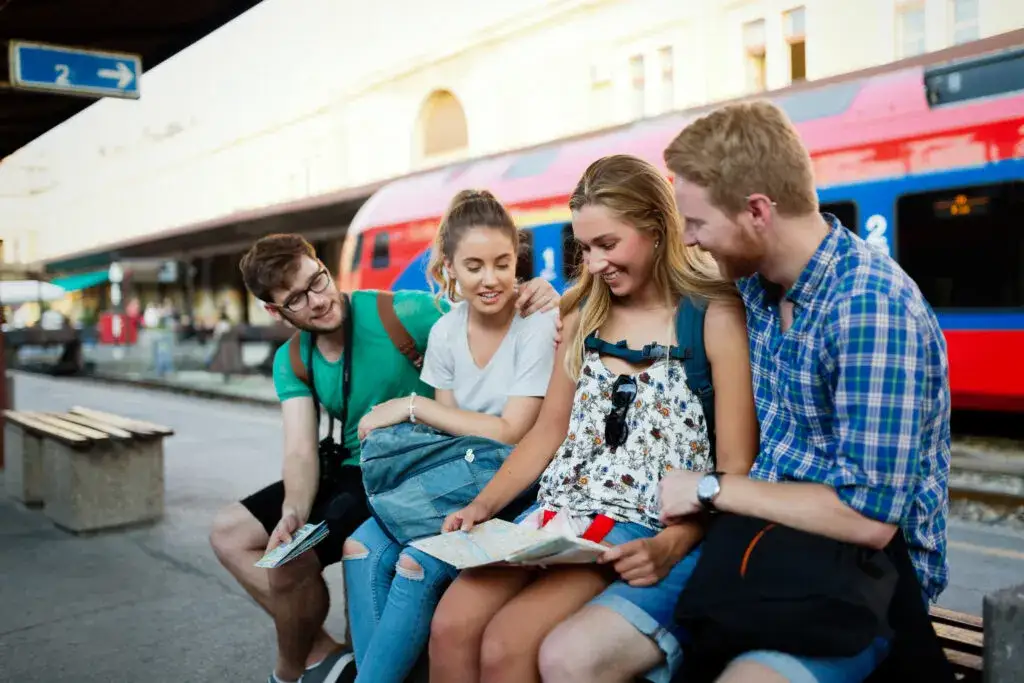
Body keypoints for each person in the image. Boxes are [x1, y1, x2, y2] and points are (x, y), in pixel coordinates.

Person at [428, 154, 759, 683]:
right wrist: (483, 505)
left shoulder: (713, 318)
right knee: (450, 624)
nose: (595, 262)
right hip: (553, 515)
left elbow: (735, 469)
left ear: (656, 229)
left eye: (608, 244)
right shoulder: (584, 315)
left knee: (505, 646)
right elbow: (547, 433)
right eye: (585, 248)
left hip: (629, 524)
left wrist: (678, 539)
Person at [659, 100, 951, 683]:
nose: (689, 241)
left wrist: (713, 489)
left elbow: (868, 520)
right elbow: (645, 277)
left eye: (696, 223)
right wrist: (546, 302)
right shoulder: (758, 279)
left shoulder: (869, 309)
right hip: (769, 540)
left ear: (757, 211)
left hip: (866, 574)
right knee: (573, 654)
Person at [207, 233, 561, 683]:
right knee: (230, 534)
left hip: (415, 462)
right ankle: (320, 653)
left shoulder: (401, 311)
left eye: (318, 281)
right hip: (349, 466)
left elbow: (483, 315)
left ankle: (295, 668)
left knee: (299, 566)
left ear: (324, 266)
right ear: (275, 312)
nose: (317, 301)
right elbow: (299, 449)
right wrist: (293, 510)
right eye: (297, 298)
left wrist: (533, 293)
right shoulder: (292, 359)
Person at [338, 189, 560, 683]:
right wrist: (431, 413)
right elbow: (449, 441)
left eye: (503, 263)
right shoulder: (444, 334)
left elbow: (513, 431)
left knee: (417, 563)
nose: (490, 279)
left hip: (518, 486)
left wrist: (413, 406)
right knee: (360, 548)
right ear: (449, 268)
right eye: (475, 266)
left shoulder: (537, 321)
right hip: (460, 478)